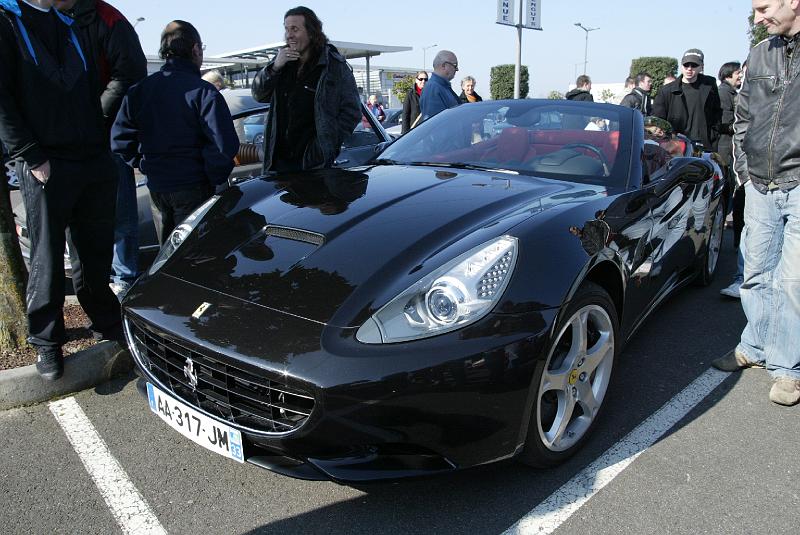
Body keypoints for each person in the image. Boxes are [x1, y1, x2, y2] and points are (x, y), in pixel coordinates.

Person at [0, 0, 122, 380]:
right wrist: (31, 156)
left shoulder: (69, 23)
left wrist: (98, 139)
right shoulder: (6, 22)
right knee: (48, 257)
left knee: (95, 251)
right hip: (44, 163)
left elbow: (96, 86)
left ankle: (105, 322)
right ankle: (47, 342)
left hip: (91, 159)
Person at [711, 0, 800, 406]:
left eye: (764, 6)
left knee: (793, 282)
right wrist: (745, 172)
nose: (758, 17)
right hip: (760, 185)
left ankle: (788, 369)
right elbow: (743, 117)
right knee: (756, 273)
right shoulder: (760, 53)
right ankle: (756, 346)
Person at [112, 21, 239, 245]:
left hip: (158, 188)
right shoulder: (203, 92)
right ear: (196, 50)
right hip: (194, 188)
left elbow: (120, 140)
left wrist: (145, 165)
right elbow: (223, 146)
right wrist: (212, 177)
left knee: (167, 256)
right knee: (197, 256)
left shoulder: (140, 91)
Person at [53, 0, 147, 299]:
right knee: (79, 218)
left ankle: (123, 280)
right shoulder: (44, 17)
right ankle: (97, 284)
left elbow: (129, 72)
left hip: (104, 134)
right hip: (67, 138)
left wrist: (95, 118)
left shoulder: (108, 18)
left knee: (120, 215)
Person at [251, 6, 360, 173]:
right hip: (277, 163)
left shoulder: (334, 66)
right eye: (286, 29)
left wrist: (325, 146)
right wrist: (274, 68)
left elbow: (352, 112)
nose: (289, 35)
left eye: (295, 29)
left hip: (312, 164)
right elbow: (258, 95)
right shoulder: (281, 63)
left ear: (311, 32)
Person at [653, 48, 722, 152]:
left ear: (701, 67)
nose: (689, 69)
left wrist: (713, 135)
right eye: (686, 65)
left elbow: (717, 113)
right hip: (676, 146)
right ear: (681, 66)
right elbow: (658, 120)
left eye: (694, 65)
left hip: (704, 145)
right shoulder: (666, 91)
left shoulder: (709, 85)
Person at [420, 50, 460, 120]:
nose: (457, 69)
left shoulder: (442, 87)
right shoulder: (433, 89)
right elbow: (437, 124)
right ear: (444, 65)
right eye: (455, 65)